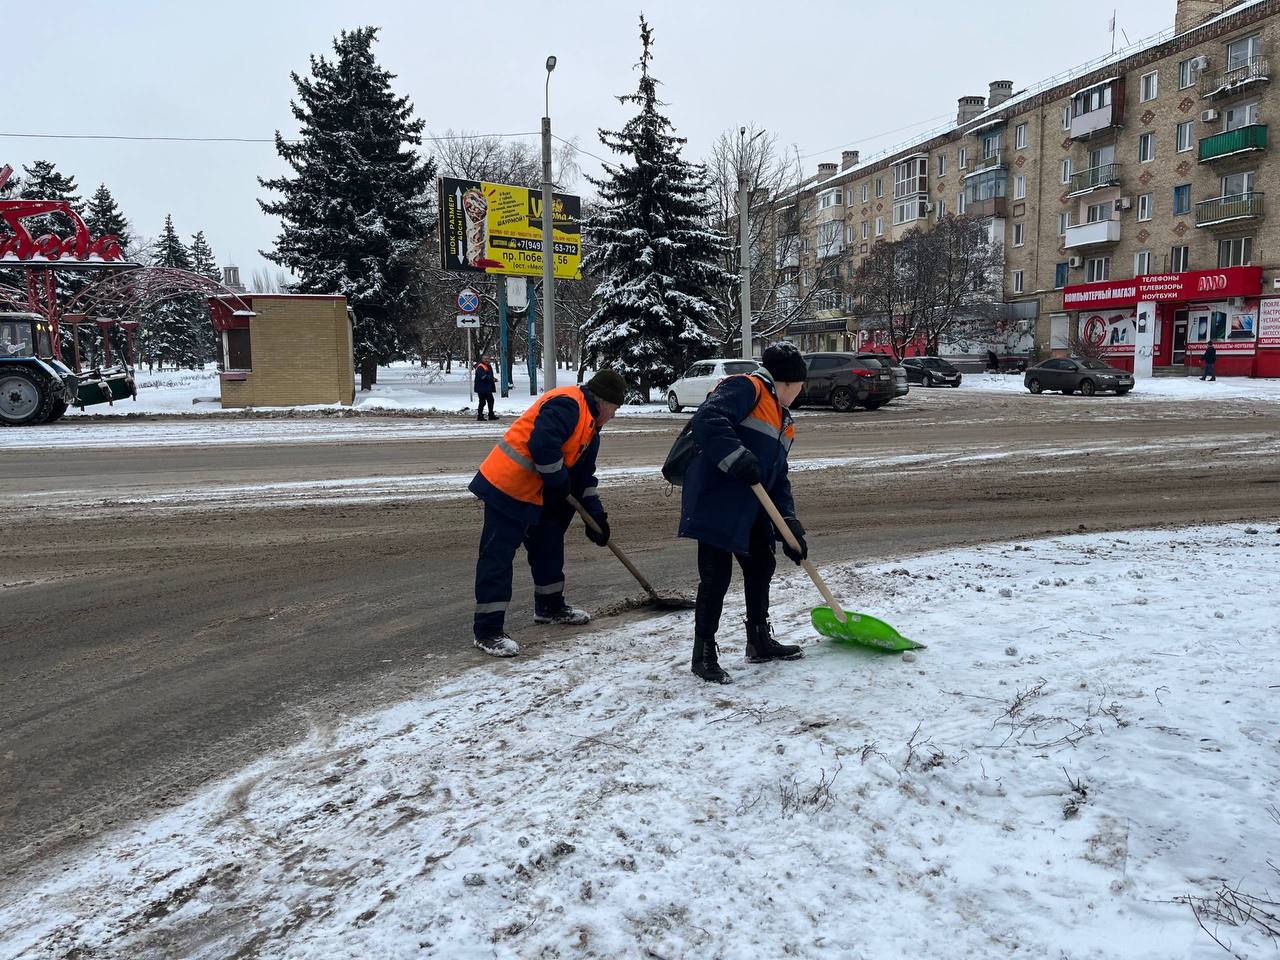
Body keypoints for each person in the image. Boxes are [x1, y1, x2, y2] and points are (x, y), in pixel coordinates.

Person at [467, 369, 626, 657]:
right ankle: (487, 631)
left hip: (539, 493)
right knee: (498, 556)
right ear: (602, 401)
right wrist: (557, 480)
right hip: (508, 486)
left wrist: (597, 518)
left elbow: (583, 479)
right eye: (614, 408)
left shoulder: (592, 429)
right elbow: (542, 443)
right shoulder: (568, 404)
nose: (614, 415)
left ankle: (550, 606)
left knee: (549, 542)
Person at [679, 342, 809, 684]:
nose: (801, 392)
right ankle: (703, 653)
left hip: (752, 506)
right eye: (800, 385)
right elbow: (706, 420)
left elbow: (778, 477)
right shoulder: (745, 387)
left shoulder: (784, 419)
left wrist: (790, 525)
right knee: (716, 577)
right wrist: (737, 457)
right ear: (788, 381)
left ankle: (758, 640)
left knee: (762, 563)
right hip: (718, 500)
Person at [474, 355, 497, 421]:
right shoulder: (480, 367)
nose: (487, 360)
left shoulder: (488, 366)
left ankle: (490, 415)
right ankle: (480, 415)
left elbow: (488, 375)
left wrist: (493, 378)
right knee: (482, 402)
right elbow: (483, 377)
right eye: (485, 359)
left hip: (487, 387)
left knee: (490, 400)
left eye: (488, 358)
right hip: (481, 387)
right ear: (482, 359)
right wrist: (492, 379)